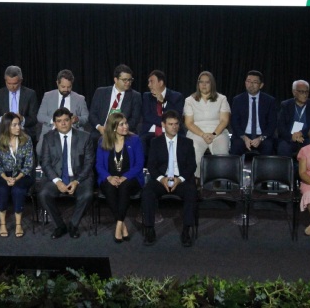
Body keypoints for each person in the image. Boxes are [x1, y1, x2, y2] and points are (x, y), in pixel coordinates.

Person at [141, 110, 198, 247]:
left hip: (180, 179)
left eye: (176, 124)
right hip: (162, 179)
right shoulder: (155, 142)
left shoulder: (187, 142)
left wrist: (180, 179)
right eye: (170, 124)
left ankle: (186, 230)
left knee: (191, 192)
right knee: (147, 192)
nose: (174, 127)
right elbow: (151, 165)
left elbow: (192, 166)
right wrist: (162, 179)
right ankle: (149, 229)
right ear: (163, 125)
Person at [38, 108, 95, 239]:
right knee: (44, 194)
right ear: (55, 123)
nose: (63, 123)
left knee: (87, 195)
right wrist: (57, 181)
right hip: (56, 177)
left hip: (79, 177)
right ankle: (60, 225)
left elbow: (89, 163)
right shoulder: (48, 137)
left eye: (66, 120)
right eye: (59, 121)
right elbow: (45, 163)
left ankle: (73, 225)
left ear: (71, 121)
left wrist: (76, 181)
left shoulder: (85, 137)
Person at [96, 112, 145, 243]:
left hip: (131, 178)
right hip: (109, 177)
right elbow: (99, 165)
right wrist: (109, 177)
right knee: (109, 188)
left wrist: (125, 177)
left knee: (124, 186)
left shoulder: (134, 140)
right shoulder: (102, 141)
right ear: (113, 127)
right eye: (121, 124)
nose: (126, 126)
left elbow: (139, 164)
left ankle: (118, 225)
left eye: (126, 123)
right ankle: (122, 224)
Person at [0, 112, 35, 238]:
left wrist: (16, 178)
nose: (18, 127)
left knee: (18, 190)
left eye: (19, 124)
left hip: (22, 174)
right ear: (6, 126)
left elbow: (29, 164)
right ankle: (3, 224)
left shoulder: (26, 140)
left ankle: (18, 224)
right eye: (14, 125)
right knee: (1, 189)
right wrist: (6, 178)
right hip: (3, 174)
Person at [183, 71, 231, 177]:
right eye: (201, 82)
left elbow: (224, 121)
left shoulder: (222, 99)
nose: (204, 85)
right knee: (194, 153)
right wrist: (203, 134)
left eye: (207, 82)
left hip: (218, 132)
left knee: (222, 153)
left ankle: (219, 181)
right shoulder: (189, 100)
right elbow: (189, 123)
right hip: (196, 133)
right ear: (198, 84)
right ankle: (196, 181)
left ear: (212, 84)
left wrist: (213, 134)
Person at [89, 64, 142, 143]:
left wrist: (119, 130)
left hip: (123, 133)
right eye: (125, 80)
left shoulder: (135, 96)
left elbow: (134, 120)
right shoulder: (100, 92)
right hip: (101, 132)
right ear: (116, 79)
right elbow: (92, 114)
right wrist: (99, 127)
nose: (128, 82)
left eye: (130, 80)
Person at [229, 70, 277, 157]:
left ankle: (264, 167)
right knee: (236, 146)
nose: (251, 84)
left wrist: (261, 138)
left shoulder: (269, 101)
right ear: (245, 83)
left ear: (261, 85)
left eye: (255, 82)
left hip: (262, 136)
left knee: (268, 146)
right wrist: (244, 137)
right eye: (248, 81)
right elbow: (234, 122)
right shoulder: (238, 100)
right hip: (243, 135)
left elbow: (272, 123)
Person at [37, 69, 89, 148]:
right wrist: (55, 122)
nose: (66, 90)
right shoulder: (48, 96)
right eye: (63, 87)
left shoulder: (80, 99)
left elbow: (86, 117)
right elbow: (40, 116)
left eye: (69, 87)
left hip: (73, 132)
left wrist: (77, 119)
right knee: (40, 149)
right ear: (57, 83)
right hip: (51, 131)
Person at [139, 70, 185, 152]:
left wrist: (163, 102)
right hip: (150, 131)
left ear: (160, 83)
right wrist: (164, 122)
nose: (149, 85)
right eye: (148, 82)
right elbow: (147, 116)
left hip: (171, 130)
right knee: (141, 141)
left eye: (151, 82)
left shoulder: (176, 97)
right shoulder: (147, 96)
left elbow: (176, 117)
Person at [0, 66, 39, 139]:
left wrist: (22, 119)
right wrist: (4, 119)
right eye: (9, 83)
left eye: (15, 83)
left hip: (24, 133)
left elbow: (34, 118)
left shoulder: (30, 94)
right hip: (3, 133)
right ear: (5, 80)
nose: (12, 86)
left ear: (20, 80)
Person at [277, 80, 310, 158]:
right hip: (289, 137)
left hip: (307, 137)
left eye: (307, 92)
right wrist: (291, 137)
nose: (305, 95)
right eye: (302, 92)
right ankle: (287, 166)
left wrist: (302, 133)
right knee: (283, 147)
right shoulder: (286, 105)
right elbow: (281, 126)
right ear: (294, 92)